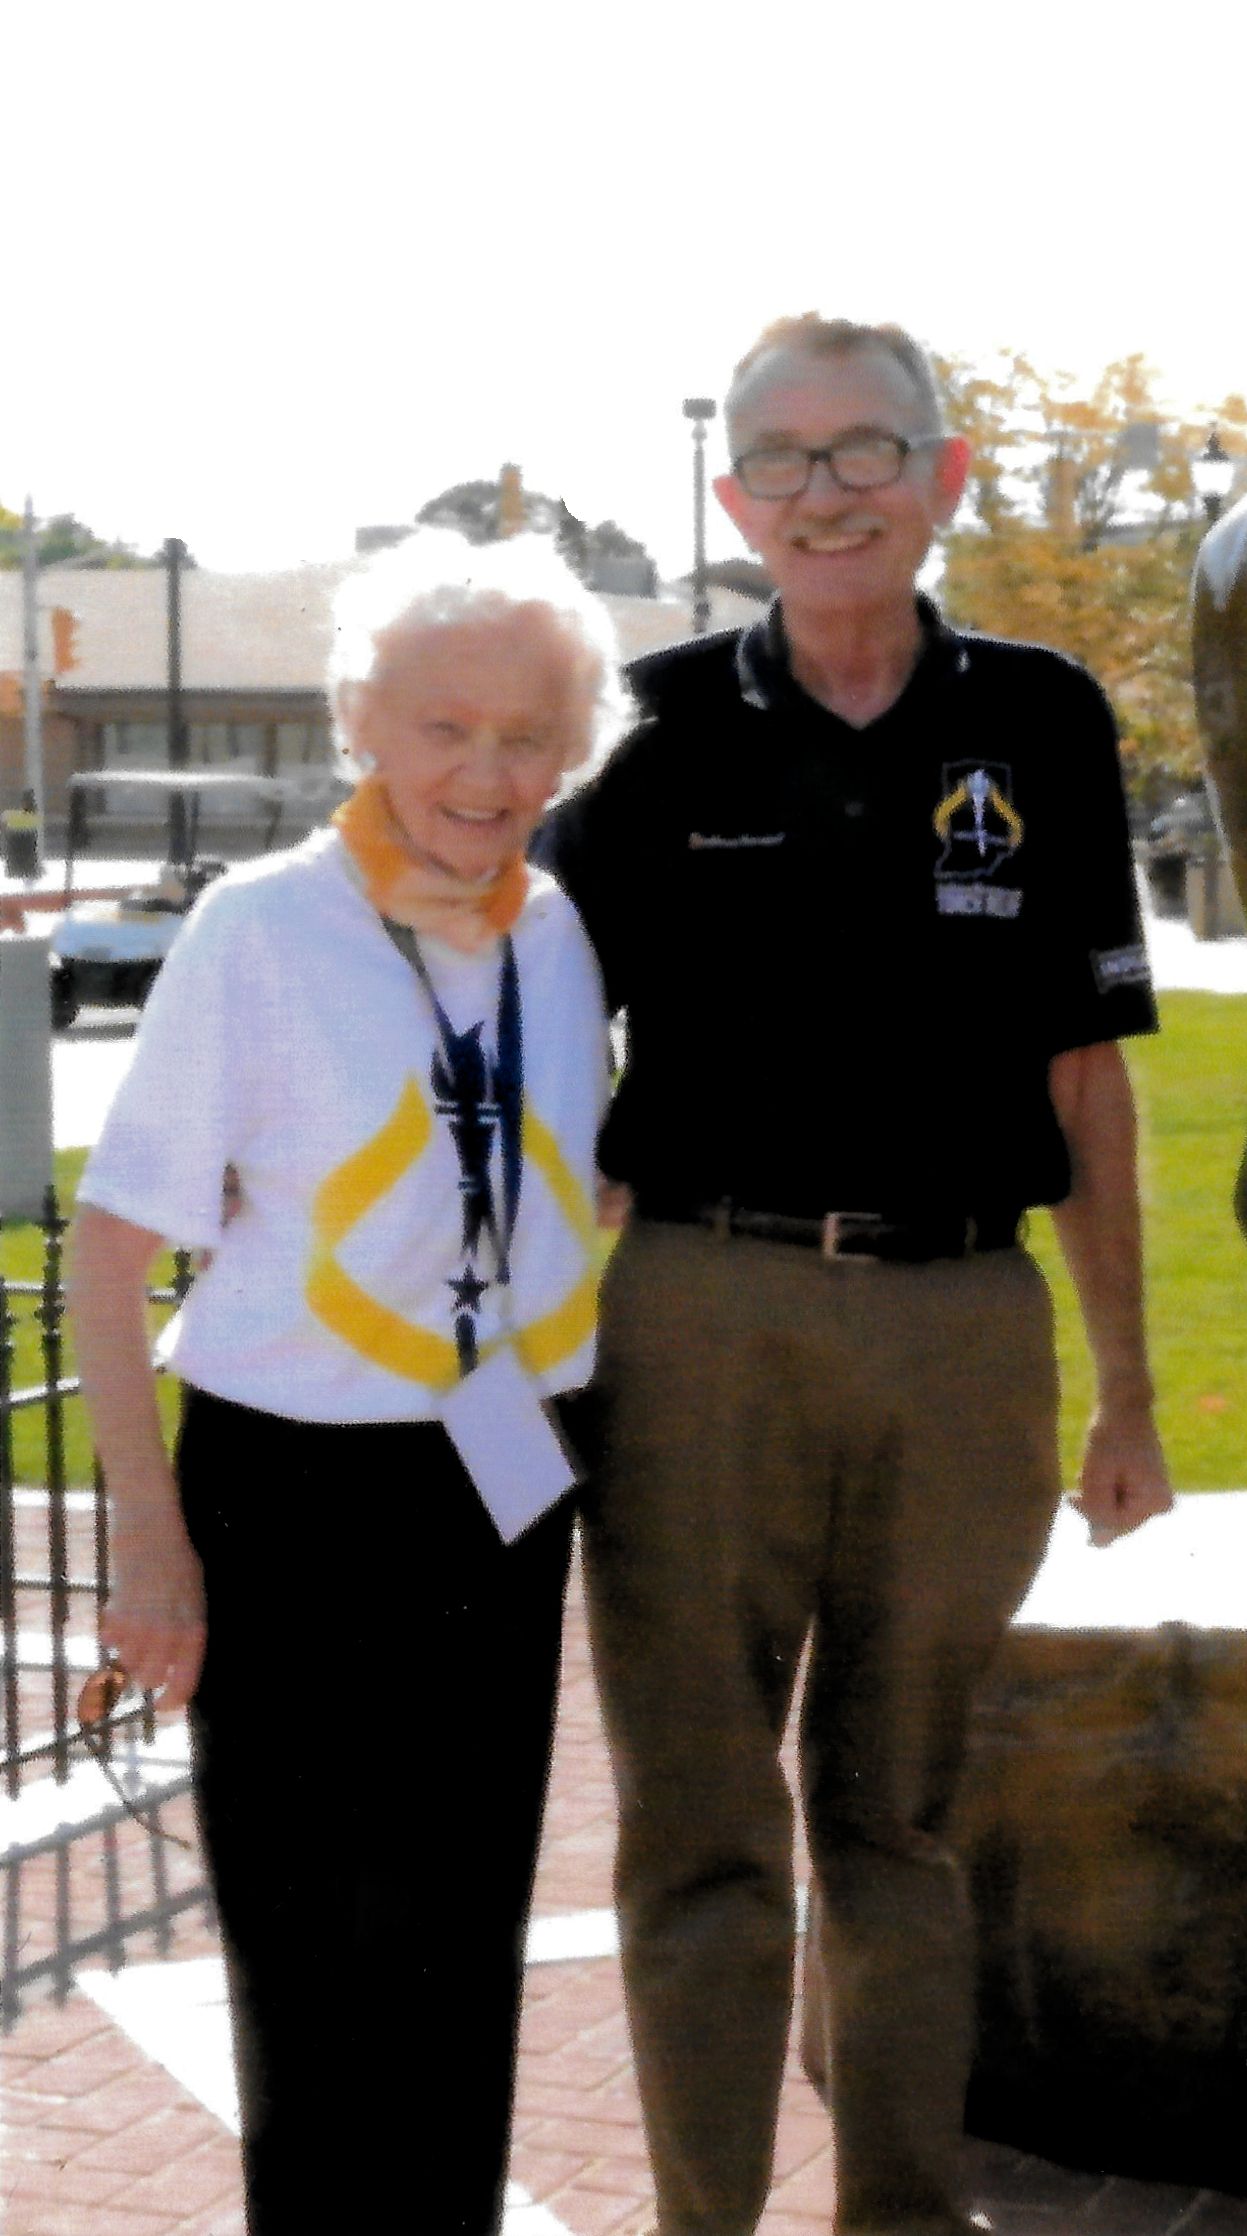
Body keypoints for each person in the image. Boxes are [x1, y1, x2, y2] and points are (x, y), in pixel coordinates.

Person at [546, 312, 1174, 2236]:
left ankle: (899, 2216)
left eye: (867, 451)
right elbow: (544, 1064)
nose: (829, 493)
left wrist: (1126, 1385)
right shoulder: (635, 731)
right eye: (787, 460)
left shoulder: (1045, 718)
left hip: (967, 1328)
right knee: (706, 1832)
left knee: (899, 1821)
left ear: (944, 477)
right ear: (736, 498)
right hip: (698, 1323)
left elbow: (1088, 1079)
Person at [84, 530, 621, 2233]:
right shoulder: (262, 932)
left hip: (500, 1484)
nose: (487, 770)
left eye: (528, 734)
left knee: (462, 1949)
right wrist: (151, 1543)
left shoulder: (555, 936)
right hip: (294, 1491)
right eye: (445, 727)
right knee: (317, 1964)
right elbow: (111, 1251)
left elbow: (552, 1180)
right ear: (361, 725)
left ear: (574, 748)